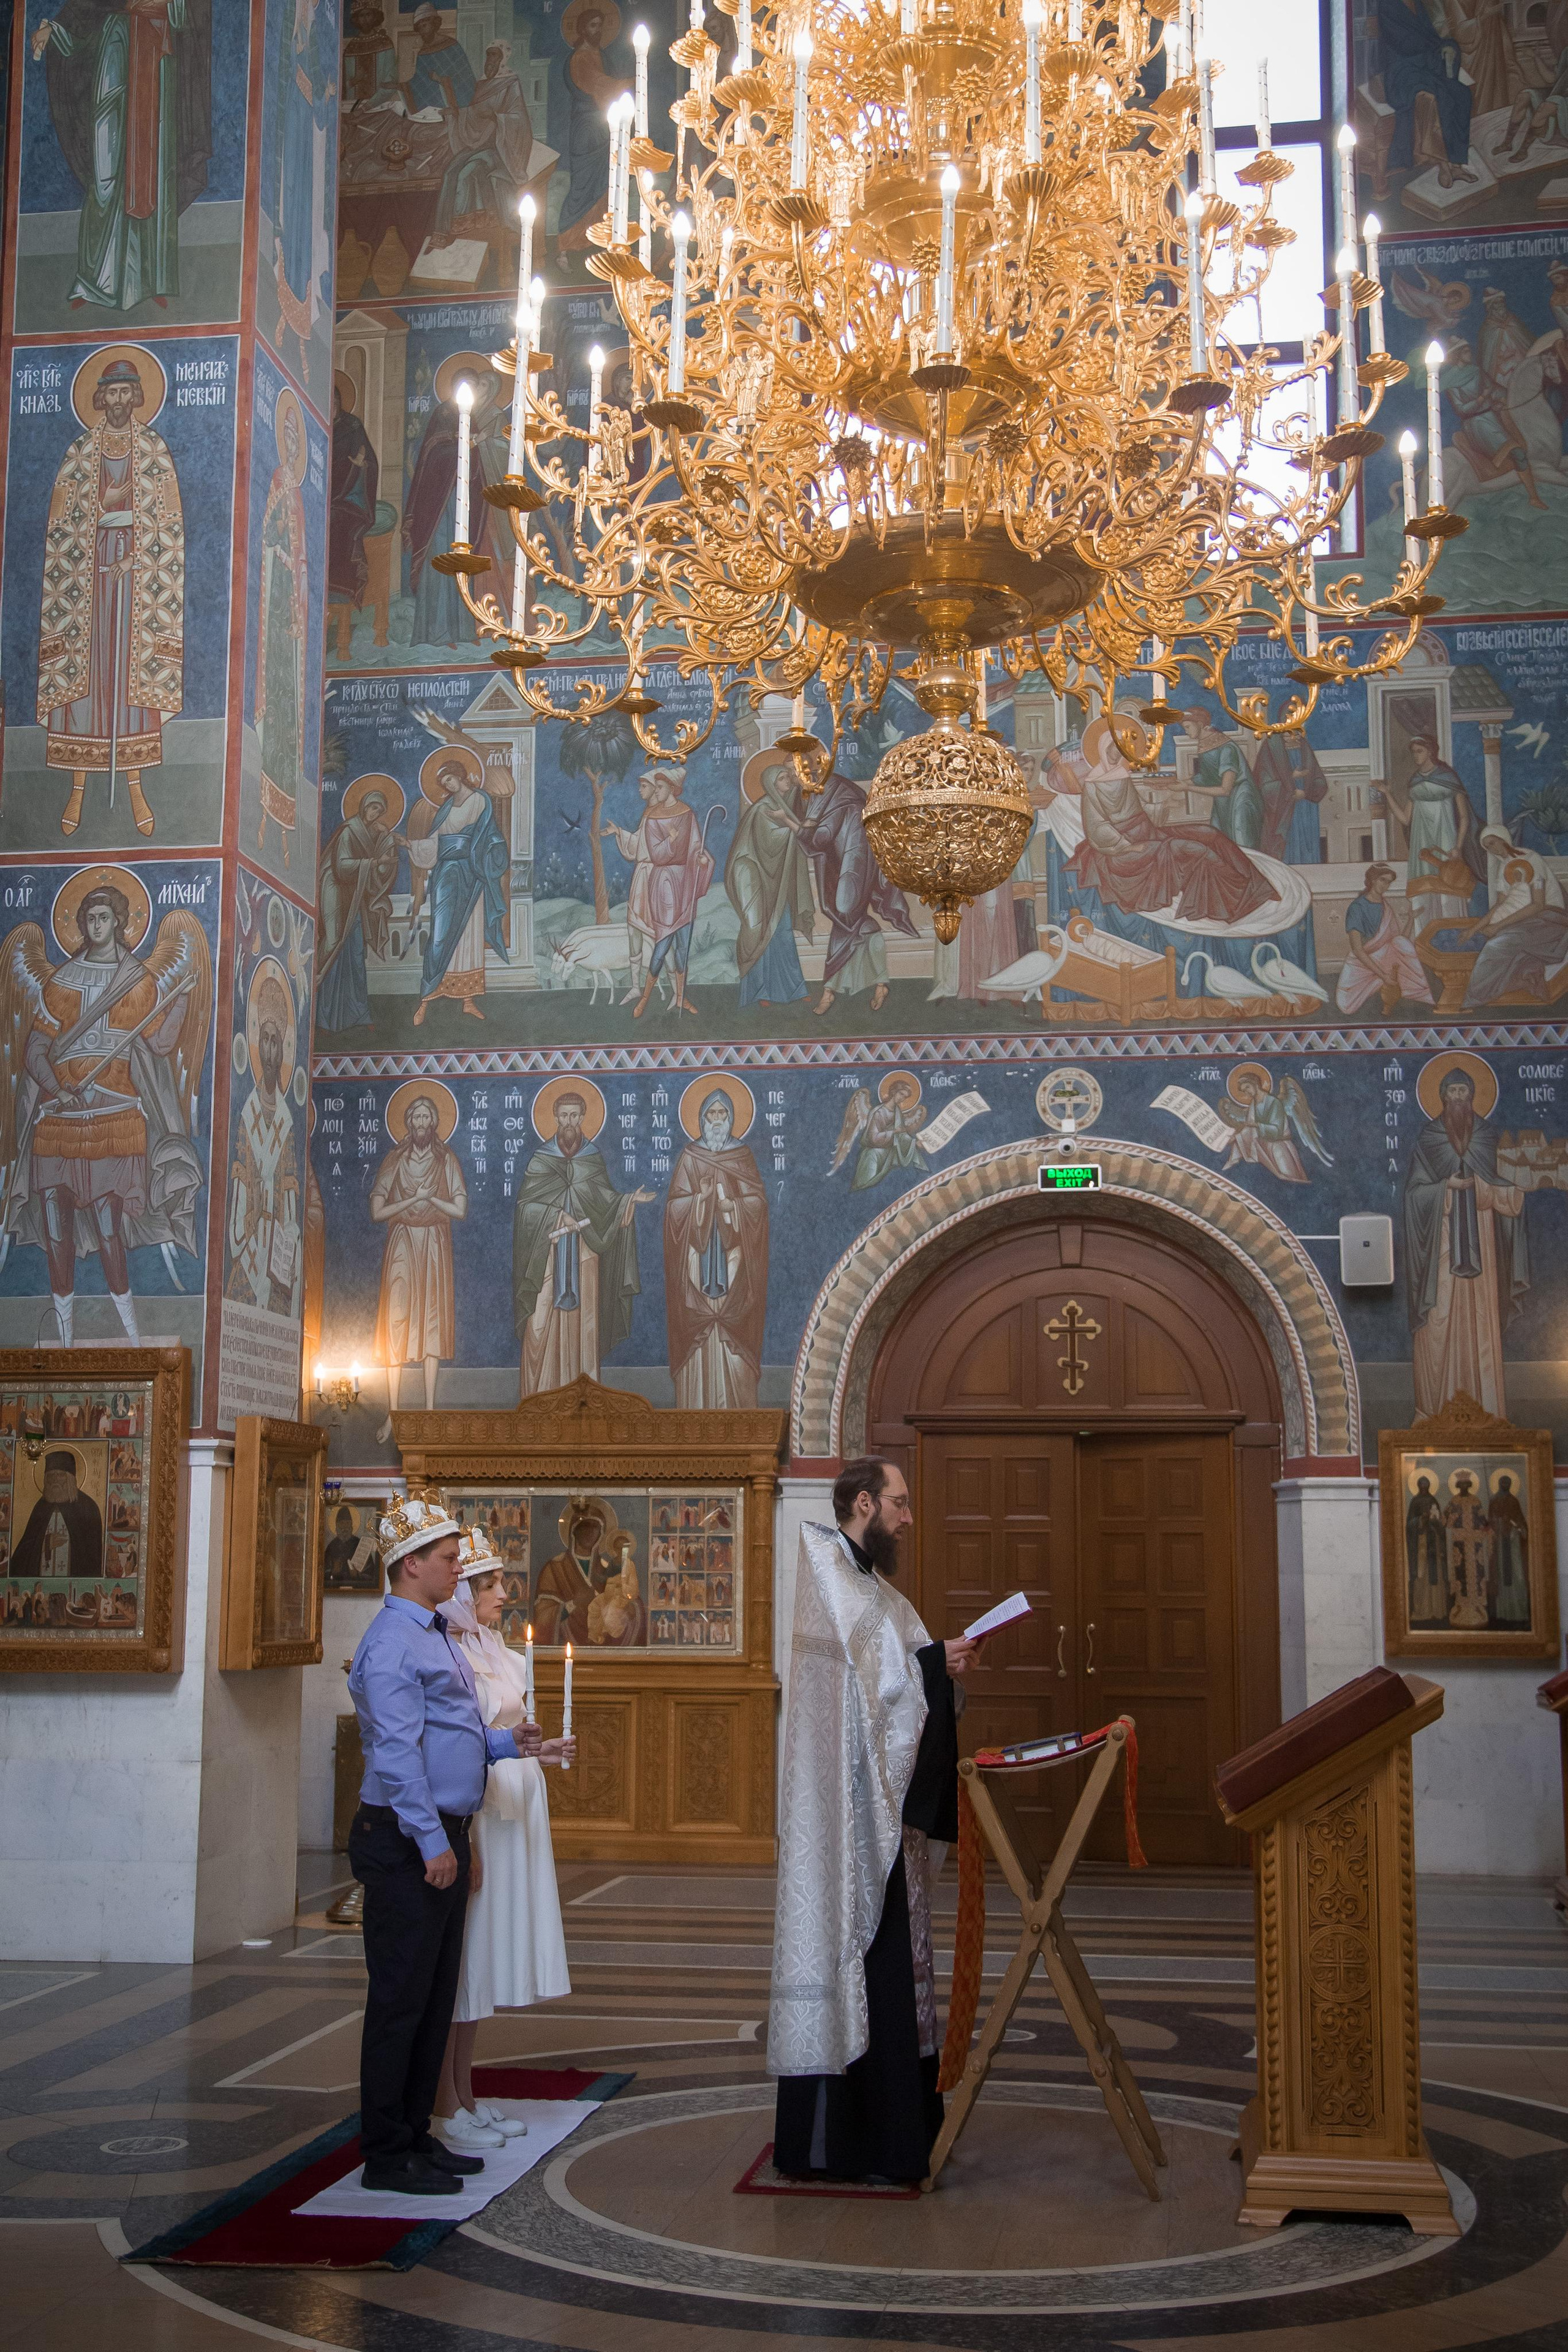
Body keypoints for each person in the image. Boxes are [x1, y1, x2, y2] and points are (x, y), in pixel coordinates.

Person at [769, 1458, 978, 2184]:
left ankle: (900, 2130)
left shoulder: (875, 1587)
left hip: (884, 1814)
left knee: (897, 1963)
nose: (908, 1517)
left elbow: (901, 1670)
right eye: (900, 1502)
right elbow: (880, 1684)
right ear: (864, 1502)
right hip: (847, 1820)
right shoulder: (829, 1572)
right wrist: (932, 1663)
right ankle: (854, 2142)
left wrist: (938, 1667)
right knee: (870, 1960)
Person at [347, 1492, 544, 2196]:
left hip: (440, 1832)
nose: (459, 1570)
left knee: (434, 1995)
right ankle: (386, 2151)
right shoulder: (395, 1642)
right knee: (401, 1999)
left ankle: (416, 2137)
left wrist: (501, 1742)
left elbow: (447, 1733)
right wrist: (434, 1843)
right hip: (407, 1840)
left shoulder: (430, 1633)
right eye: (448, 1559)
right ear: (410, 1566)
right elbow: (398, 1759)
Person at [434, 1525, 574, 2150]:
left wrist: (544, 1753)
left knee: (481, 1964)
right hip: (481, 1817)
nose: (501, 1592)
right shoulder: (450, 1653)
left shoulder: (490, 1644)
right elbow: (460, 1748)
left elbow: (508, 1736)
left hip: (515, 1809)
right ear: (460, 1589)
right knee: (458, 1966)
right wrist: (469, 1843)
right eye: (487, 1583)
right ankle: (443, 2105)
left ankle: (466, 2094)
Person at [37, 353, 184, 839]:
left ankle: (137, 785)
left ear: (136, 396)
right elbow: (59, 524)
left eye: (127, 391)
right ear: (100, 397)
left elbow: (170, 524)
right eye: (112, 392)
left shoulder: (154, 450)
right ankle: (77, 788)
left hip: (136, 585)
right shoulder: (79, 454)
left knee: (129, 679)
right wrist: (91, 543)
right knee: (89, 678)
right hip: (86, 582)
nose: (119, 400)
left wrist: (135, 560)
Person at [1403, 1063, 1528, 1417]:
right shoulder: (1428, 1139)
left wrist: (1488, 1188)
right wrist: (1447, 1188)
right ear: (1442, 1097)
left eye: (1464, 1091)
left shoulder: (1489, 1138)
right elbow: (1413, 1195)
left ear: (1473, 1097)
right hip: (1440, 1244)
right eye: (1452, 1091)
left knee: (1481, 1319)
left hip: (1483, 1241)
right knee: (1438, 1318)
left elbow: (1507, 1185)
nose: (1458, 1097)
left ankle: (1489, 1408)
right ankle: (1433, 1410)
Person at [663, 1088, 769, 1408]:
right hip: (696, 1263)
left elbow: (758, 1204)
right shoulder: (690, 1157)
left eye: (723, 1114)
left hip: (735, 1260)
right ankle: (695, 1403)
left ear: (732, 1118)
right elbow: (673, 1209)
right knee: (700, 1327)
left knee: (732, 1326)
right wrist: (701, 1200)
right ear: (702, 1119)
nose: (718, 1120)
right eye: (713, 1114)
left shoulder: (743, 1156)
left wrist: (731, 1207)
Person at [12, 1450, 102, 1581]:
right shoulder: (41, 1507)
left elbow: (91, 1554)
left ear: (70, 1478)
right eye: (51, 1475)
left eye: (60, 1475)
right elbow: (22, 1554)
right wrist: (44, 1544)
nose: (55, 1479)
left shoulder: (87, 1507)